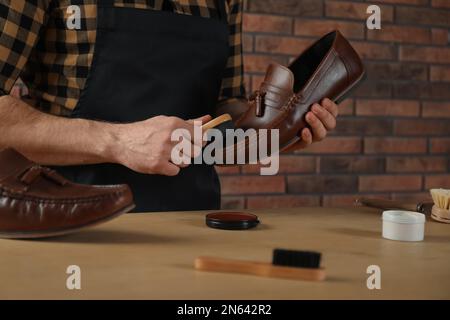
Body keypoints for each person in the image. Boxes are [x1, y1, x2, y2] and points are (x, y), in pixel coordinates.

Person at [0, 0, 338, 212]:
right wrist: (120, 142)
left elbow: (225, 115)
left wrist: (277, 133)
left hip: (192, 226)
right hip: (71, 229)